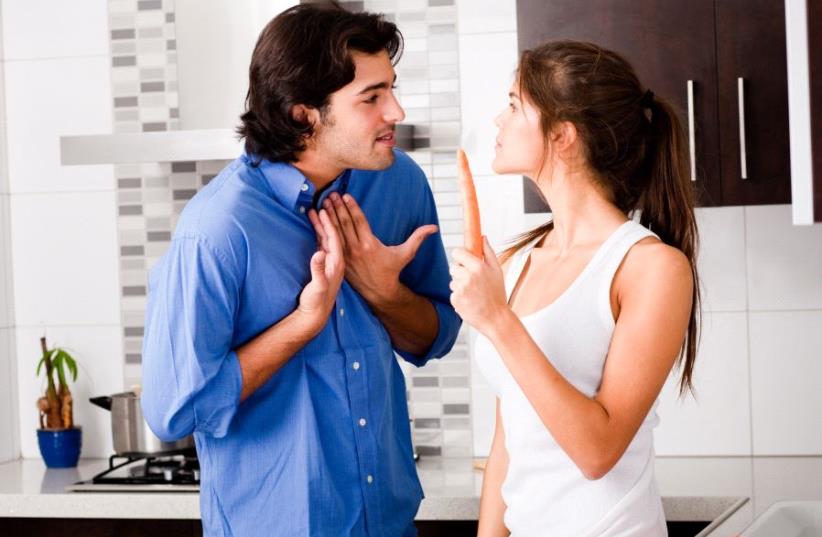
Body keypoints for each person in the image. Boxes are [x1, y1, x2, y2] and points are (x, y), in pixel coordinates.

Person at [140, 4, 461, 536]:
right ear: (303, 114)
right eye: (372, 97)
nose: (397, 111)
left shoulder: (399, 183)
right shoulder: (218, 229)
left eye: (392, 88)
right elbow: (174, 411)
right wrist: (301, 325)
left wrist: (384, 294)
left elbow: (436, 337)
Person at [449, 40, 701, 536]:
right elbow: (509, 439)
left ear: (563, 135)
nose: (499, 120)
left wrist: (498, 321)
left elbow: (597, 451)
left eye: (515, 105)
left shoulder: (651, 268)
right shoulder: (517, 262)